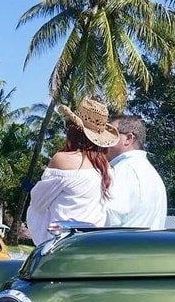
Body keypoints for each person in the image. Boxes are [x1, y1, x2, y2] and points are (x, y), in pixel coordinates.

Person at [26, 97, 119, 246]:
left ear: (74, 130)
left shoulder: (63, 160)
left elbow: (37, 202)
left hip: (61, 245)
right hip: (91, 244)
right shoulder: (107, 169)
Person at [104, 114, 168, 230]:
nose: (105, 140)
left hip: (120, 246)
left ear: (128, 138)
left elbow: (109, 216)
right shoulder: (152, 173)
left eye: (110, 133)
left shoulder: (123, 170)